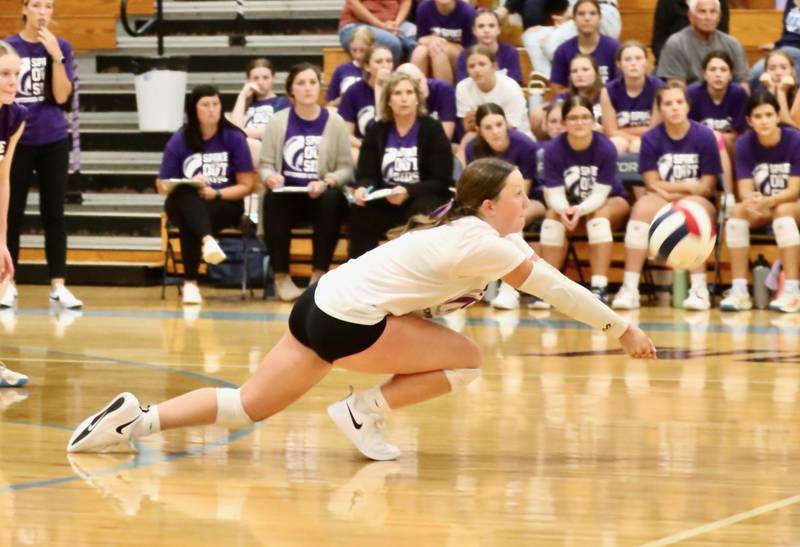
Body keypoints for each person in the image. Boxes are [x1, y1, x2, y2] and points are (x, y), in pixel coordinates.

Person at [67, 158, 657, 460]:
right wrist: (622, 327)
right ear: (487, 204)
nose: (527, 201)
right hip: (348, 320)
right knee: (468, 361)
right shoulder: (479, 240)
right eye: (518, 196)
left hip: (319, 302)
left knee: (245, 405)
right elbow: (556, 288)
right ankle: (363, 410)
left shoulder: (472, 232)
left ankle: (135, 419)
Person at [612, 83, 722, 311]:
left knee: (690, 213)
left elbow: (707, 187)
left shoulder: (704, 136)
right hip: (664, 197)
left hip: (697, 201)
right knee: (641, 210)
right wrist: (688, 187)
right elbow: (651, 184)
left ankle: (699, 289)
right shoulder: (651, 138)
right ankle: (629, 288)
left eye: (679, 102)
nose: (674, 108)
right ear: (660, 108)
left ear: (688, 106)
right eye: (668, 103)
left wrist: (673, 190)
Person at [4, 0, 81, 309]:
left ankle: (58, 285)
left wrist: (57, 58)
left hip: (52, 139)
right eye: (36, 5)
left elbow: (62, 97)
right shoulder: (7, 47)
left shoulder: (60, 46)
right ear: (24, 9)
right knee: (10, 214)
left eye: (48, 6)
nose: (42, 12)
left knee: (54, 214)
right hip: (16, 138)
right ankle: (7, 283)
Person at [259, 64, 352, 302]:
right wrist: (270, 177)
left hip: (319, 194)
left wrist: (328, 180)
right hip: (288, 194)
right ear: (291, 90)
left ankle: (318, 275)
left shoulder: (335, 121)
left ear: (319, 87)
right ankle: (281, 277)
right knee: (272, 200)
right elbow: (265, 164)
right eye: (301, 83)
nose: (308, 88)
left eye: (312, 82)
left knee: (332, 199)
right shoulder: (277, 122)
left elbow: (346, 168)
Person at [156, 85, 254, 306]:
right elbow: (161, 184)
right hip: (187, 202)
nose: (212, 110)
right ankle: (208, 240)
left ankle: (191, 284)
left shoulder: (233, 137)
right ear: (194, 109)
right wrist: (190, 183)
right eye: (205, 105)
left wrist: (216, 192)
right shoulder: (180, 139)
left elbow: (246, 185)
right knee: (184, 195)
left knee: (189, 219)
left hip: (224, 203)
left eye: (216, 104)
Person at [348, 73, 453, 258]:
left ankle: (419, 275)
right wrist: (363, 188)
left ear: (417, 99)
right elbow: (366, 174)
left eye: (409, 92)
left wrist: (408, 192)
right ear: (388, 100)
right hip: (386, 198)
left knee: (423, 210)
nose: (404, 98)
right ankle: (361, 275)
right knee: (359, 211)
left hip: (421, 196)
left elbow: (441, 180)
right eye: (397, 93)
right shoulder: (377, 130)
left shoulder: (432, 129)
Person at [539, 96, 630, 305]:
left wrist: (578, 210)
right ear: (563, 123)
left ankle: (599, 286)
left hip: (610, 200)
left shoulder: (605, 147)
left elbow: (600, 193)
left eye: (584, 117)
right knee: (551, 216)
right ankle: (549, 289)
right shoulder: (553, 149)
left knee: (598, 217)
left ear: (593, 121)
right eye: (573, 118)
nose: (579, 122)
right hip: (570, 204)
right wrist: (564, 209)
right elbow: (554, 193)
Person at [720, 91, 800, 312]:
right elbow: (745, 189)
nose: (764, 121)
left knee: (783, 210)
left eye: (768, 115)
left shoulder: (794, 139)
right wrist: (752, 200)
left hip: (793, 205)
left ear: (777, 117)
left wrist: (767, 201)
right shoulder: (745, 143)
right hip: (767, 205)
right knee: (737, 212)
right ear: (749, 120)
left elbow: (794, 191)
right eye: (757, 116)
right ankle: (739, 291)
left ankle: (792, 291)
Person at [459, 103, 544, 310]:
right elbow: (476, 190)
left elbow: (522, 192)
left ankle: (510, 290)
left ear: (507, 124)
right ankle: (469, 287)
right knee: (469, 222)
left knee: (512, 219)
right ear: (478, 130)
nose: (496, 131)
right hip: (489, 206)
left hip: (531, 200)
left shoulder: (525, 145)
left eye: (499, 124)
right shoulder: (473, 148)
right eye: (488, 127)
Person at [0, 41, 28, 387]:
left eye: (16, 74)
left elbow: (3, 180)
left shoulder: (14, 117)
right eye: (4, 74)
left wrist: (2, 240)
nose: (12, 81)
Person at [687, 50, 746, 202]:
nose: (718, 74)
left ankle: (729, 195)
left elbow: (739, 133)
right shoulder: (692, 93)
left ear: (730, 74)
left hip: (730, 146)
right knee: (716, 138)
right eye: (712, 70)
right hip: (698, 145)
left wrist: (715, 137)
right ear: (704, 74)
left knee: (723, 139)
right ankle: (724, 195)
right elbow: (688, 130)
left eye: (723, 70)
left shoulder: (738, 93)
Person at [517, 0, 621, 85]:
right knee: (530, 36)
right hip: (579, 13)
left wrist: (563, 22)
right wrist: (562, 22)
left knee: (549, 45)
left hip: (604, 12)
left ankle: (574, 75)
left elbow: (585, 6)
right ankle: (547, 75)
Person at [656, 0, 748, 88]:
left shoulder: (733, 44)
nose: (708, 17)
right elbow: (676, 87)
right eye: (702, 12)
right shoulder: (675, 44)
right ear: (691, 16)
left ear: (719, 17)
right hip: (689, 100)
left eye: (713, 12)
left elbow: (743, 84)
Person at [455, 45, 531, 139]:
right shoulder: (462, 88)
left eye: (482, 64)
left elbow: (513, 127)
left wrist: (484, 119)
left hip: (514, 136)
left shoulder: (510, 87)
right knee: (469, 138)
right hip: (481, 136)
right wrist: (471, 121)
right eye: (471, 66)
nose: (477, 70)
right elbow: (468, 129)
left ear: (494, 66)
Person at [600, 40, 663, 155]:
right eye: (628, 59)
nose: (633, 63)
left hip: (651, 141)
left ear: (646, 61)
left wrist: (621, 131)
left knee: (638, 146)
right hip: (621, 140)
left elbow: (654, 131)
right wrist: (635, 136)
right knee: (616, 143)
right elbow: (610, 131)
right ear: (619, 64)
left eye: (638, 58)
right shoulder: (608, 90)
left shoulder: (658, 88)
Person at [230, 58, 291, 170]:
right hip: (245, 151)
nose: (260, 82)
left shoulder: (283, 102)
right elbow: (234, 131)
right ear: (248, 80)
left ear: (273, 78)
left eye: (265, 77)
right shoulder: (245, 104)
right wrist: (242, 95)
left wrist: (242, 133)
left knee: (250, 144)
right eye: (255, 78)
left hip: (269, 153)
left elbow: (273, 131)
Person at [548, 0, 620, 93]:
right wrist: (581, 96)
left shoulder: (614, 48)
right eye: (581, 14)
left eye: (592, 13)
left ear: (600, 18)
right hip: (575, 103)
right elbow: (557, 88)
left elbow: (621, 86)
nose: (587, 18)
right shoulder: (563, 51)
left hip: (608, 104)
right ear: (573, 19)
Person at [338, 44, 394, 160]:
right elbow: (346, 134)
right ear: (367, 66)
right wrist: (367, 147)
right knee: (353, 155)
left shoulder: (399, 90)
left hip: (395, 147)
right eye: (379, 62)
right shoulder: (354, 92)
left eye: (389, 61)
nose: (385, 66)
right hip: (364, 146)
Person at [532, 53, 602, 139]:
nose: (579, 74)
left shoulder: (607, 96)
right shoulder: (563, 98)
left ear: (596, 73)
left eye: (585, 69)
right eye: (574, 71)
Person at [411, 0, 476, 84]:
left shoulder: (467, 12)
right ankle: (417, 92)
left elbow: (470, 50)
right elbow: (421, 39)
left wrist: (442, 43)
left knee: (438, 52)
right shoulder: (424, 8)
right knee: (419, 51)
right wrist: (432, 39)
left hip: (461, 58)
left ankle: (444, 93)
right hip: (432, 51)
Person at [337, 0, 416, 65]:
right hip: (356, 24)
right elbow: (353, 3)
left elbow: (406, 1)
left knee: (414, 35)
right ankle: (389, 81)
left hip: (392, 23)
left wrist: (396, 23)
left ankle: (412, 79)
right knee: (392, 42)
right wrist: (381, 25)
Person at [454, 9, 521, 84]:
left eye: (491, 26)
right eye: (481, 26)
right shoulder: (465, 55)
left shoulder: (511, 52)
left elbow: (515, 84)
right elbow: (462, 86)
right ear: (474, 30)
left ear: (499, 29)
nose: (486, 30)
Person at [650, 0, 730, 62]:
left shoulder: (719, 2)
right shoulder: (667, 2)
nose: (708, 17)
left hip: (709, 63)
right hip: (674, 59)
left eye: (712, 12)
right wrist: (670, 60)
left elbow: (721, 39)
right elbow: (658, 42)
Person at [395, 62, 456, 140]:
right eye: (412, 85)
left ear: (424, 76)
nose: (419, 87)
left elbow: (444, 138)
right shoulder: (399, 99)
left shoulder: (443, 90)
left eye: (419, 81)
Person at [748, 0, 800, 89]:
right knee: (756, 73)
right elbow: (787, 31)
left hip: (797, 51)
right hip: (783, 48)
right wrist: (776, 44)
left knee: (791, 80)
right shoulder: (791, 2)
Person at [326, 26, 375, 108]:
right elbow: (330, 105)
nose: (357, 55)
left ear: (371, 48)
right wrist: (344, 98)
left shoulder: (376, 69)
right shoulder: (341, 70)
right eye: (354, 50)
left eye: (362, 50)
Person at [758, 50, 799, 128]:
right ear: (765, 72)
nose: (778, 73)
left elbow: (791, 130)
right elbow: (767, 125)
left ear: (792, 70)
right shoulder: (759, 92)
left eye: (783, 68)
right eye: (772, 68)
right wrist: (771, 90)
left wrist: (781, 92)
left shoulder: (798, 94)